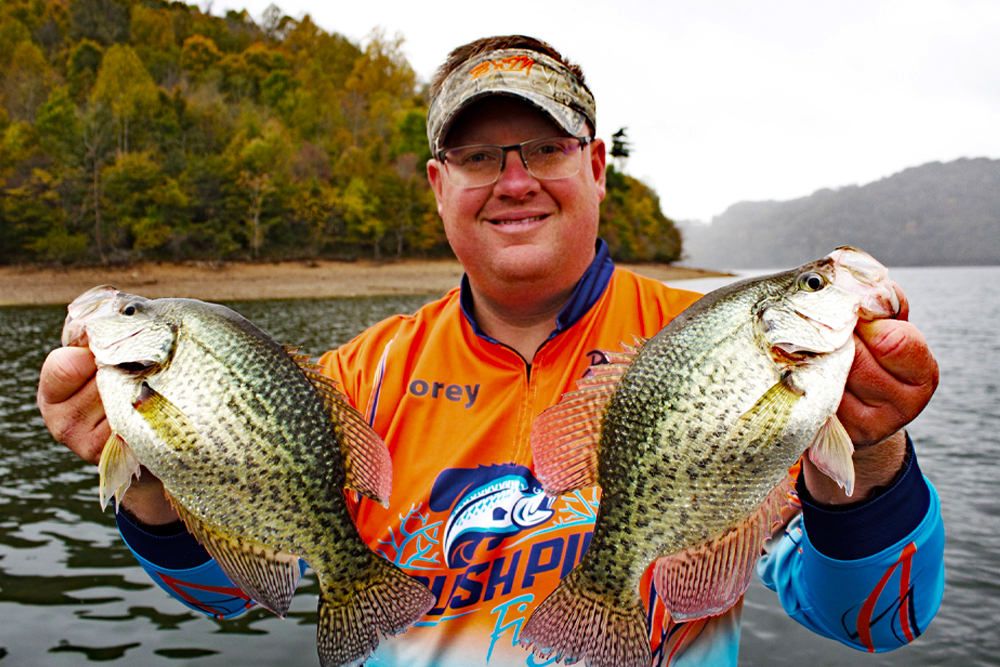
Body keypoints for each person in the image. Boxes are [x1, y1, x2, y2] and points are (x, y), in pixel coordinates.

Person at [38, 35, 944, 667]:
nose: (514, 180)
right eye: (476, 156)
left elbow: (875, 621)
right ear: (440, 186)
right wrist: (154, 481)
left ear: (595, 167)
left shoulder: (708, 351)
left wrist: (870, 455)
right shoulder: (353, 379)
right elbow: (232, 596)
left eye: (545, 146)